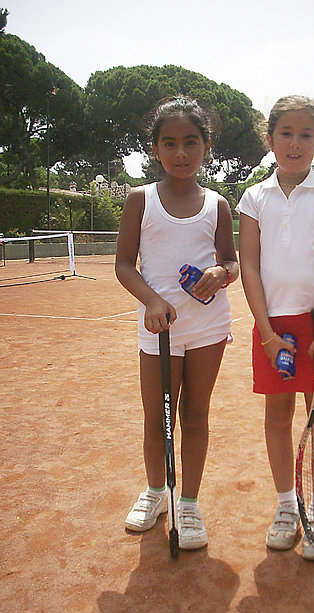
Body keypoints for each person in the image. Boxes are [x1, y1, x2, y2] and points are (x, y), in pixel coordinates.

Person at [115, 96, 239, 550]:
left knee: (195, 414)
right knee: (158, 417)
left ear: (207, 146)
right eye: (170, 143)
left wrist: (220, 274)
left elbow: (231, 261)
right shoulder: (139, 200)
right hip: (158, 329)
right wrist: (151, 300)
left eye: (191, 142)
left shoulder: (218, 204)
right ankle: (155, 493)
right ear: (154, 149)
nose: (181, 153)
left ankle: (188, 502)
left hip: (207, 328)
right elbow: (125, 265)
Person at [237, 95, 314, 560]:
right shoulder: (253, 198)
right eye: (285, 133)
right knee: (277, 417)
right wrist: (266, 334)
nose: (295, 143)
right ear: (270, 140)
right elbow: (248, 266)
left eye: (306, 134)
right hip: (273, 328)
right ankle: (288, 507)